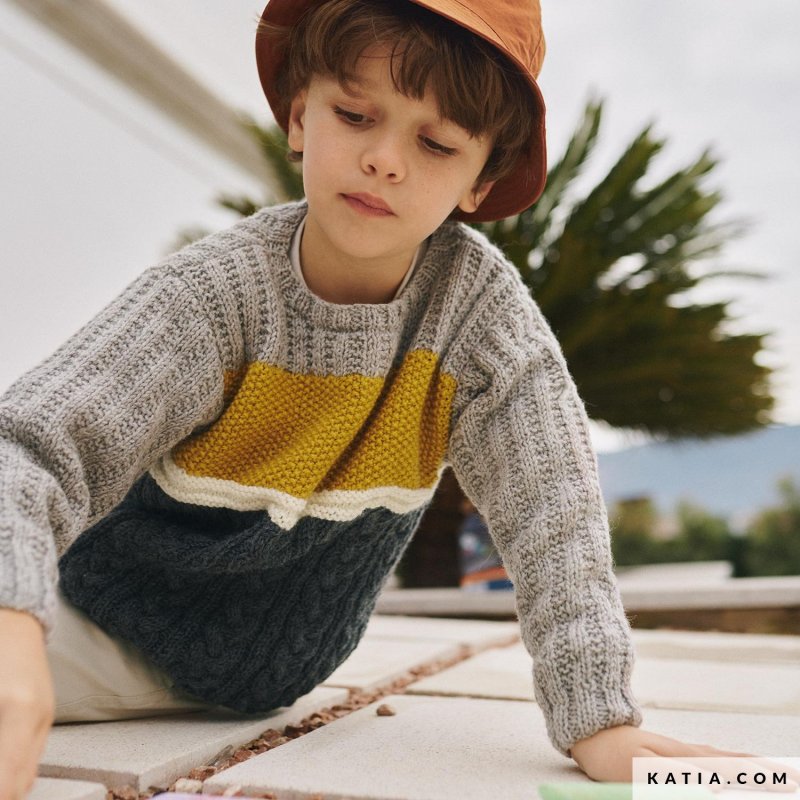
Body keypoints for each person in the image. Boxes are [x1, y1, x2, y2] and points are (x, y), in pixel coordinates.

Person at [0, 2, 774, 798]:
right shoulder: (215, 295)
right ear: (299, 116)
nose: (383, 161)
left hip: (263, 670)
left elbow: (556, 518)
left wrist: (601, 723)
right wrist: (12, 618)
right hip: (89, 615)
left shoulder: (479, 322)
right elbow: (28, 446)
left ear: (480, 179)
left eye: (435, 144)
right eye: (354, 115)